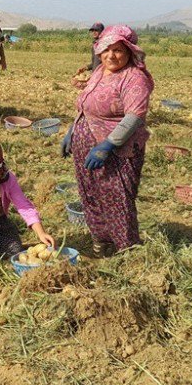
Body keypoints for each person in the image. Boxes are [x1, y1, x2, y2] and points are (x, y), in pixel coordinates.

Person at [61, 24, 153, 257]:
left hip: (117, 151)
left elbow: (134, 116)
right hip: (85, 147)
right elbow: (86, 104)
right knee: (90, 195)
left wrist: (107, 145)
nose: (111, 55)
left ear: (129, 52)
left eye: (118, 50)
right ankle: (102, 242)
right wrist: (73, 129)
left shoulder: (134, 78)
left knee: (117, 199)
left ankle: (127, 249)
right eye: (107, 49)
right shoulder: (100, 71)